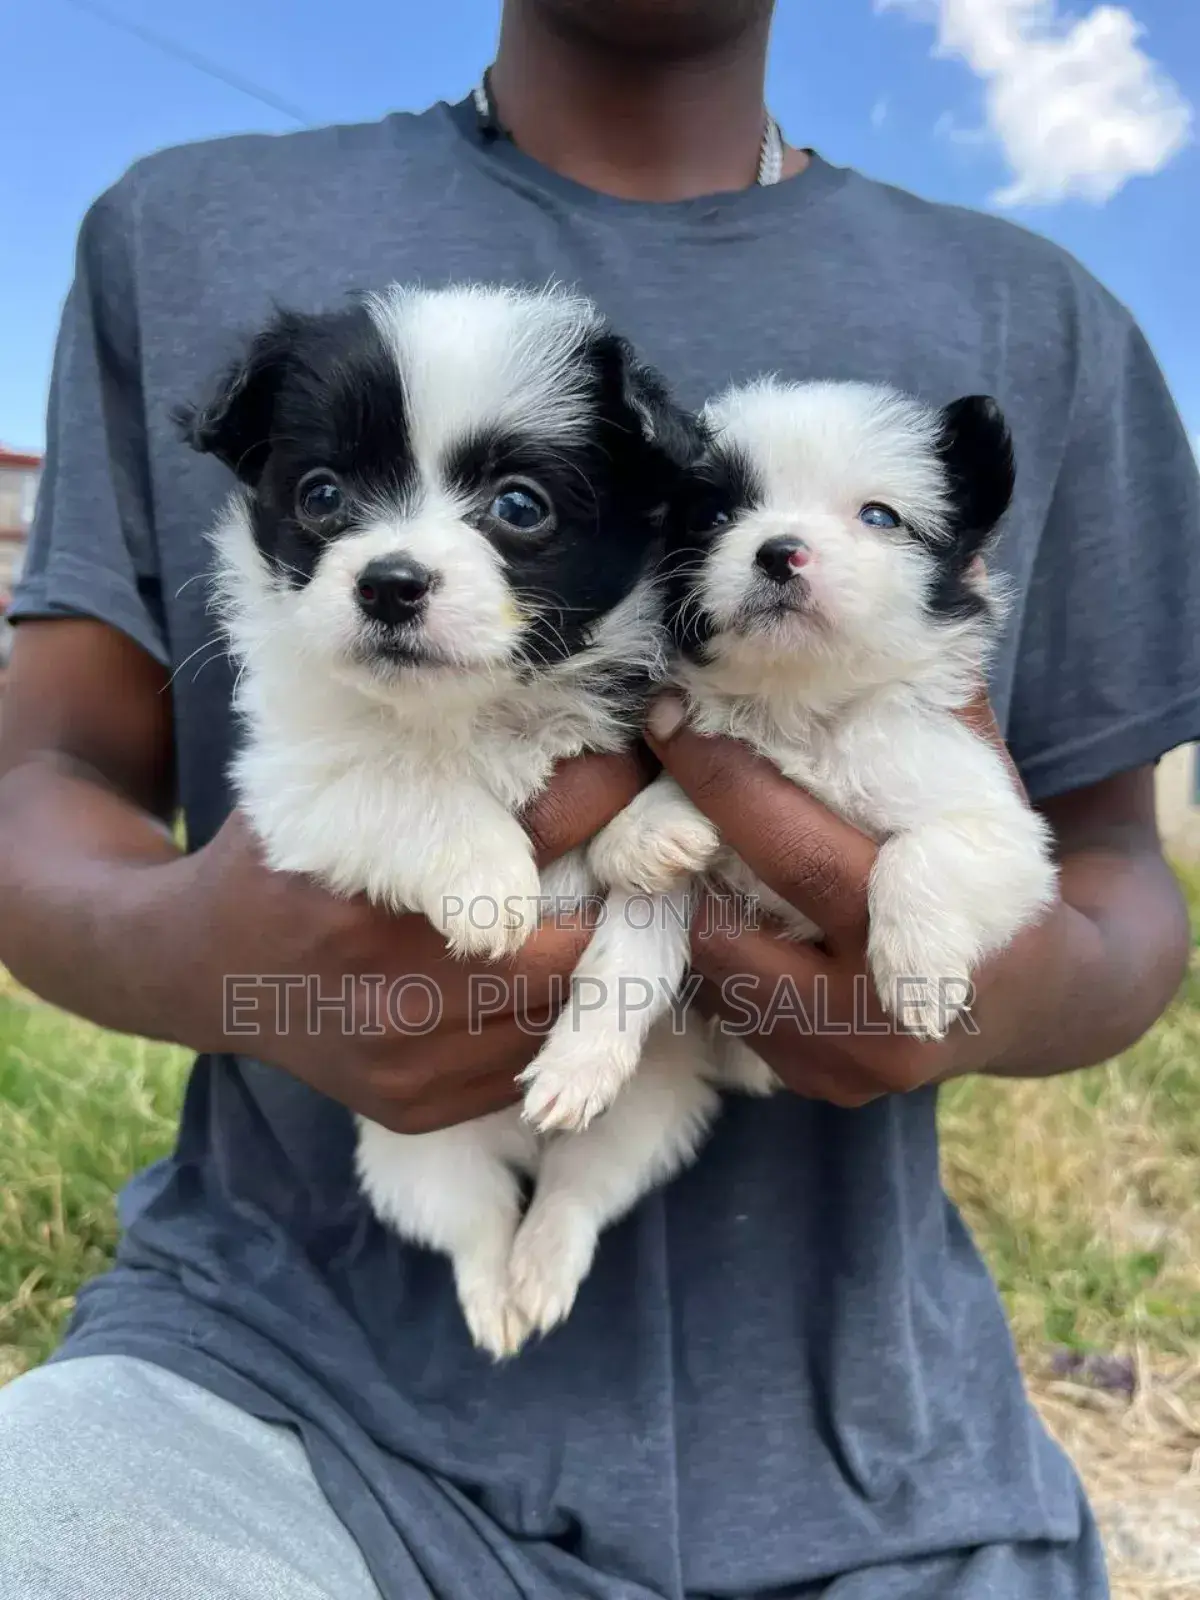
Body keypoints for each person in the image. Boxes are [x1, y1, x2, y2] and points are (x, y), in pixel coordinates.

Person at [0, 2, 1197, 1595]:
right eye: (333, 496)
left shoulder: (1043, 321)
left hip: (893, 1472)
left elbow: (1115, 859)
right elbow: (47, 769)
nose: (412, 551)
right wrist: (241, 969)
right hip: (272, 1384)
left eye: (514, 503)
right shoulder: (187, 228)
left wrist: (976, 984)